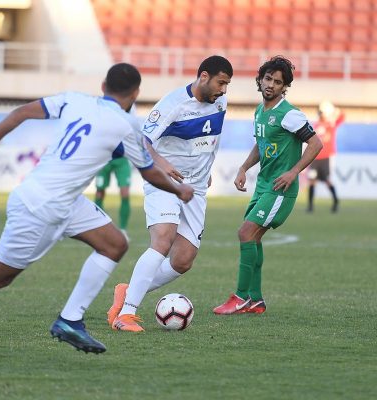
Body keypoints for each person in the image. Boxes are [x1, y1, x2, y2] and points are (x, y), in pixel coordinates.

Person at [0, 63, 194, 361]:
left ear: (103, 86)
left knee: (114, 243)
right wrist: (181, 191)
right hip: (41, 207)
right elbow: (148, 172)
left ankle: (70, 320)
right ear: (136, 93)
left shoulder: (75, 99)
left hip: (61, 199)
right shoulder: (127, 125)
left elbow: (22, 112)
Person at [107, 55, 233, 332]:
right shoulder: (173, 104)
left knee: (183, 260)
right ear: (203, 77)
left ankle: (127, 293)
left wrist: (206, 169)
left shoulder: (219, 102)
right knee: (163, 238)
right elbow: (142, 141)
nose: (223, 90)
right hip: (164, 182)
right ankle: (125, 315)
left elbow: (211, 138)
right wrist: (162, 164)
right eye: (220, 83)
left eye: (227, 85)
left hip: (195, 188)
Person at [213, 56, 323, 315]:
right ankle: (256, 300)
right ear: (260, 80)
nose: (271, 85)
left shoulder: (290, 114)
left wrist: (293, 172)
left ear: (285, 87)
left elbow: (316, 144)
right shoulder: (260, 111)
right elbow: (261, 145)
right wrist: (243, 168)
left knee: (245, 233)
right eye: (268, 79)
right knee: (254, 238)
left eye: (277, 82)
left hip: (280, 190)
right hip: (264, 186)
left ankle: (240, 297)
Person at [306, 101, 344, 213]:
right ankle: (310, 206)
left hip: (325, 158)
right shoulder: (315, 125)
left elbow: (342, 116)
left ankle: (336, 201)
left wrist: (333, 109)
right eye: (320, 112)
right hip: (314, 158)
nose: (321, 114)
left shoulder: (330, 124)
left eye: (323, 112)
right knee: (312, 181)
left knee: (327, 180)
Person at [95, 156, 132, 239]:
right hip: (104, 158)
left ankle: (123, 229)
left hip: (121, 158)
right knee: (99, 192)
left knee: (125, 192)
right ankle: (99, 227)